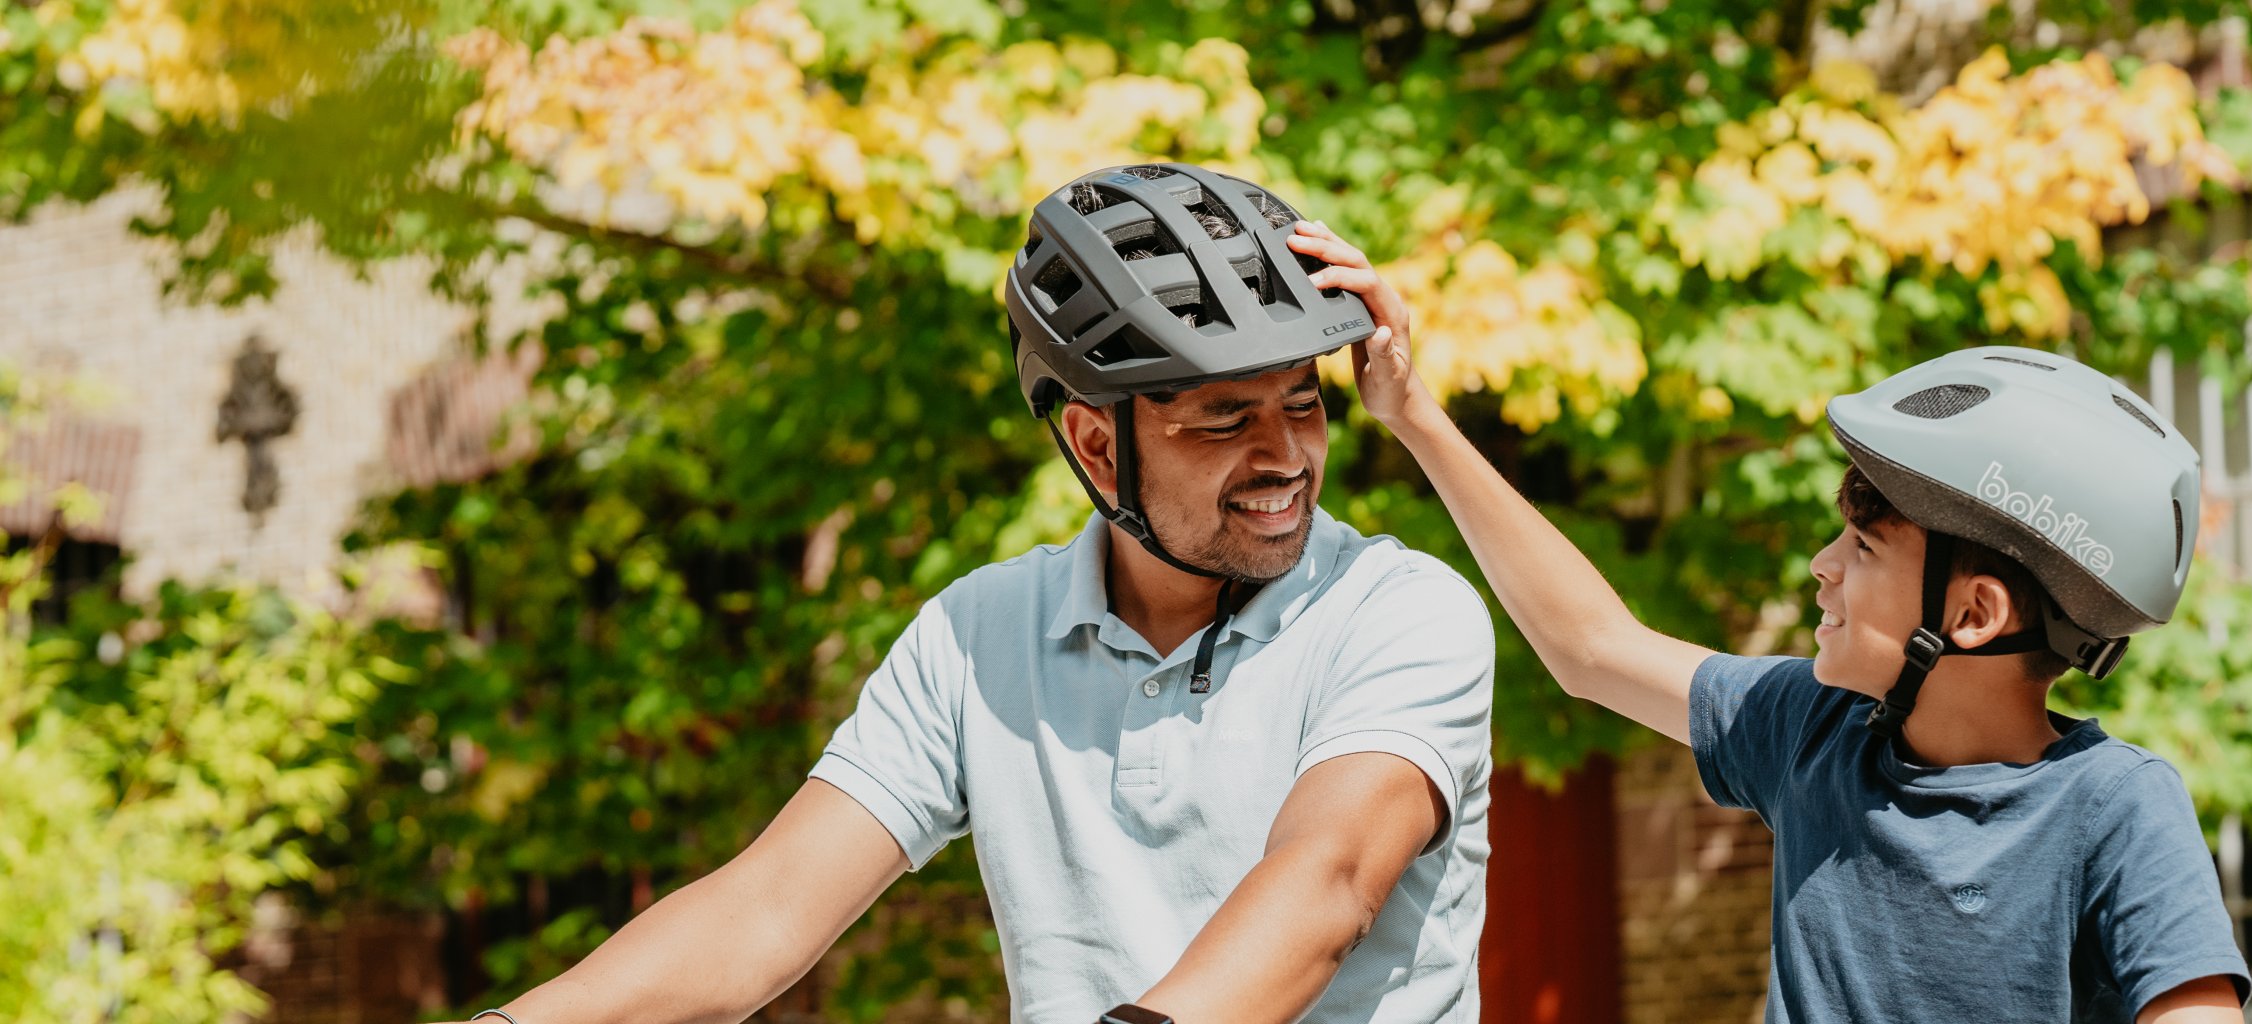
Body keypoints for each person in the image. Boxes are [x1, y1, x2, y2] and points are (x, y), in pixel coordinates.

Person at [446, 165, 1494, 1024]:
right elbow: (764, 911)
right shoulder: (979, 633)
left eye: (1302, 405)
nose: (1283, 457)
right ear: (1095, 442)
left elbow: (1329, 881)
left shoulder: (1398, 608)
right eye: (1223, 421)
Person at [1286, 221, 2250, 1023]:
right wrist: (1412, 411)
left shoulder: (2116, 807)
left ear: (1972, 612)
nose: (1822, 570)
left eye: (1865, 550)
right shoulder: (1814, 733)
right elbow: (1592, 648)